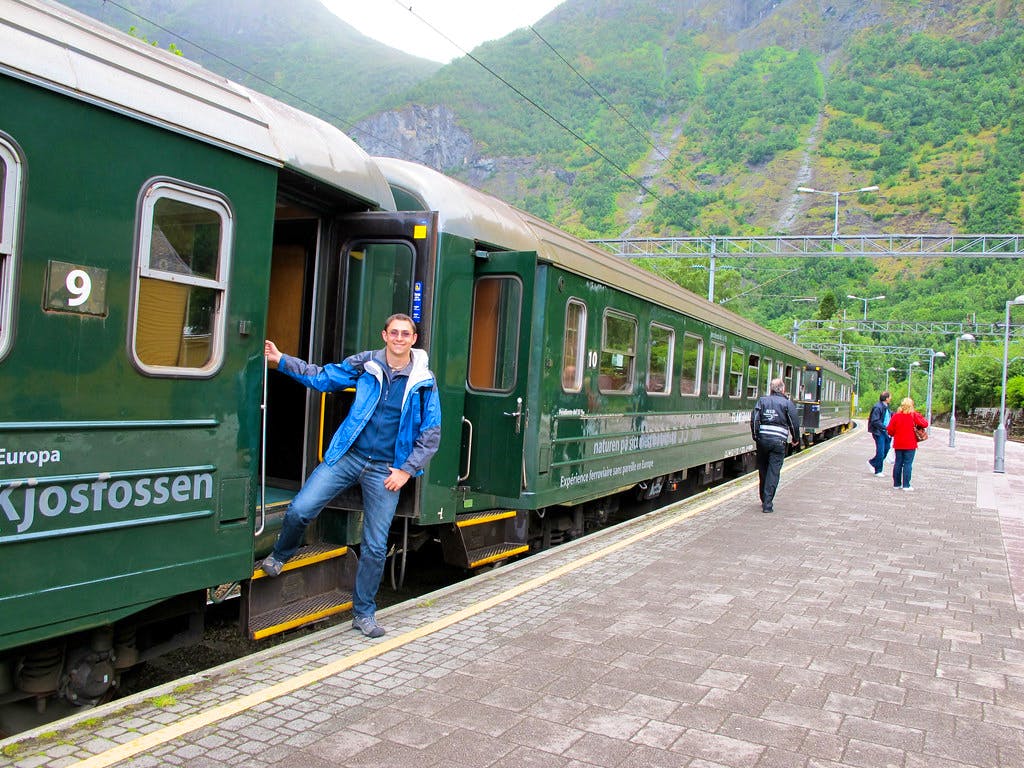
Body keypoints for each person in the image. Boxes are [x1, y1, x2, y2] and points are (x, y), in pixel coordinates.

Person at [260, 314, 441, 638]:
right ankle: (281, 554)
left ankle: (363, 614)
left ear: (413, 340)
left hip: (385, 469)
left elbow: (431, 433)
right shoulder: (366, 365)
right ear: (384, 335)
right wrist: (281, 361)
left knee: (374, 545)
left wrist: (405, 470)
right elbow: (323, 377)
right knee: (301, 509)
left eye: (405, 334)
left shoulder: (424, 381)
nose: (399, 338)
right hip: (348, 456)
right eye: (394, 333)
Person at [750, 377, 801, 513]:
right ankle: (767, 503)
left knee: (763, 470)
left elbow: (754, 419)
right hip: (779, 442)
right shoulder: (787, 403)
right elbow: (794, 422)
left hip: (763, 441)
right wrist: (796, 438)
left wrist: (756, 436)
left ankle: (763, 498)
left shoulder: (762, 401)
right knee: (774, 472)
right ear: (783, 389)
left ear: (771, 389)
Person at [886, 397, 927, 491]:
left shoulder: (896, 416)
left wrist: (894, 434)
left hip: (898, 443)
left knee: (898, 463)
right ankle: (906, 485)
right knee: (908, 464)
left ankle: (896, 484)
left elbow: (890, 430)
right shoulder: (914, 415)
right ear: (911, 405)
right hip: (910, 444)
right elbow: (925, 424)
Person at [866, 390, 892, 476]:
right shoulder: (878, 407)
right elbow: (875, 420)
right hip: (879, 432)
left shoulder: (886, 406)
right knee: (880, 451)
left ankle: (872, 463)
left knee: (886, 449)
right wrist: (885, 427)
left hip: (885, 432)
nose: (891, 398)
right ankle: (878, 470)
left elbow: (890, 415)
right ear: (886, 398)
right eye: (890, 397)